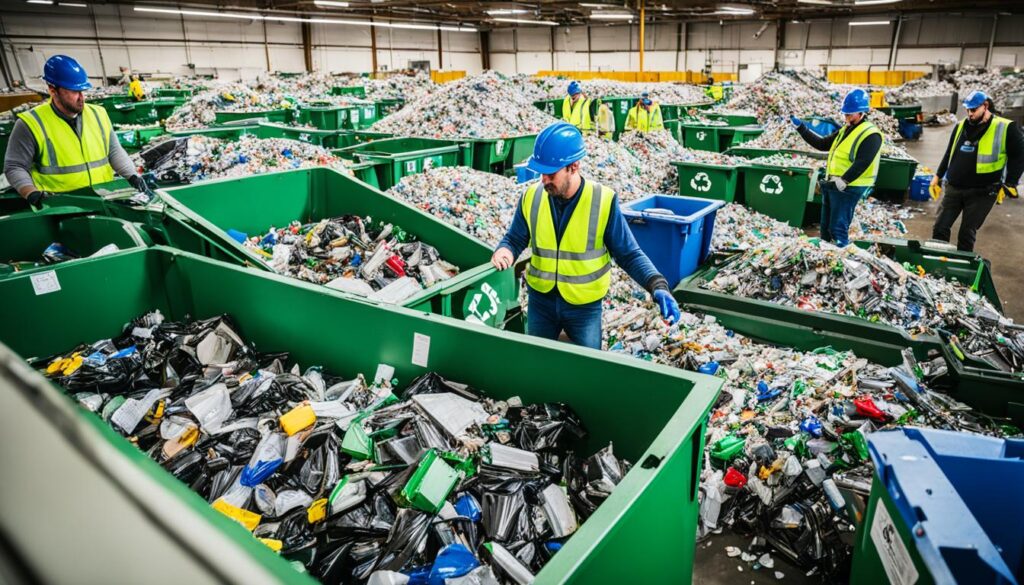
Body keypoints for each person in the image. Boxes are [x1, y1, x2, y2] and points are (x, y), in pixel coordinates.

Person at [490, 122, 680, 349]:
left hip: (584, 307)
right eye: (541, 173)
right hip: (541, 302)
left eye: (551, 174)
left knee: (588, 370)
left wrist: (657, 285)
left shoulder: (602, 201)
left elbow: (628, 254)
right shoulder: (531, 197)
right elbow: (515, 238)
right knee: (537, 362)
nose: (544, 180)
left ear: (574, 166)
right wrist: (505, 250)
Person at [4, 55, 149, 208]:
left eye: (82, 90)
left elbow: (114, 151)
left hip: (103, 199)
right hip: (61, 207)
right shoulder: (31, 123)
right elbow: (14, 166)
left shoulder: (98, 114)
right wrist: (31, 193)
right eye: (74, 92)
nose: (81, 97)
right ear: (53, 90)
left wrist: (132, 176)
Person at [929, 90, 1024, 252]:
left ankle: (961, 269)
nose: (969, 114)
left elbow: (1020, 155)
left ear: (985, 106)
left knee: (966, 233)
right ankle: (938, 263)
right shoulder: (960, 126)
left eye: (973, 110)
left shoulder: (1005, 127)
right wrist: (937, 176)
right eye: (967, 110)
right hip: (954, 187)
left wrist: (1011, 182)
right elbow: (949, 153)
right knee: (940, 227)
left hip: (982, 192)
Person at [790, 88, 883, 247]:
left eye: (850, 114)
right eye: (845, 114)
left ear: (861, 113)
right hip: (833, 184)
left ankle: (841, 261)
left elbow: (863, 161)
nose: (846, 118)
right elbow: (821, 144)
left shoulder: (871, 134)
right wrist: (802, 128)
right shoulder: (845, 130)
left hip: (850, 186)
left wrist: (845, 180)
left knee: (837, 229)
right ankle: (826, 257)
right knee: (825, 229)